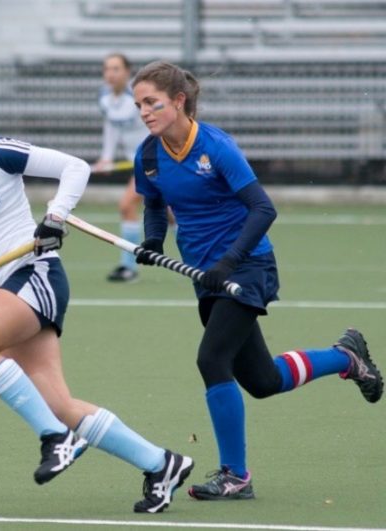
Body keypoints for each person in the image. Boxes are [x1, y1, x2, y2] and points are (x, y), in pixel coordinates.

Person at [0, 81, 194, 513]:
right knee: (59, 404)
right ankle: (161, 463)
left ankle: (55, 438)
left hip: (34, 274)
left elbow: (75, 167)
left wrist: (55, 216)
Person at [130, 60, 384, 501]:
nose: (144, 112)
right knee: (263, 381)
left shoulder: (216, 147)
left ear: (178, 100)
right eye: (139, 105)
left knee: (212, 360)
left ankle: (236, 476)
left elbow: (263, 209)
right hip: (207, 275)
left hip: (247, 268)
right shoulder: (149, 155)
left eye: (152, 103)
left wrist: (229, 262)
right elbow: (154, 204)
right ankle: (345, 358)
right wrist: (154, 241)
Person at [93, 53, 148, 283]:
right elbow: (112, 127)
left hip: (154, 160)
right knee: (172, 215)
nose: (110, 74)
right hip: (137, 162)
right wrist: (106, 157)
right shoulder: (104, 98)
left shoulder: (138, 97)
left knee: (127, 205)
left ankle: (128, 267)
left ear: (127, 72)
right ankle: (202, 262)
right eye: (107, 69)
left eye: (116, 69)